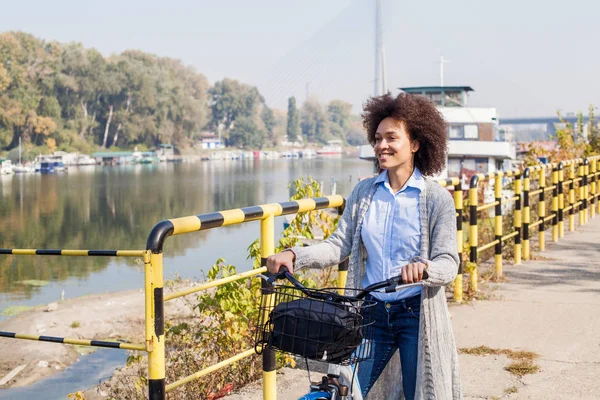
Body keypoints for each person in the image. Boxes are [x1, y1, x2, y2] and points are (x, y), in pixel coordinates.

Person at [267, 92, 462, 400]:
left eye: (391, 138)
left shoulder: (436, 199)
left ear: (415, 144)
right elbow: (338, 246)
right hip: (370, 313)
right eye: (378, 138)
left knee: (421, 392)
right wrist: (295, 255)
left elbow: (449, 262)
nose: (381, 145)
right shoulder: (364, 192)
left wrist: (426, 269)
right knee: (349, 390)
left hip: (416, 314)